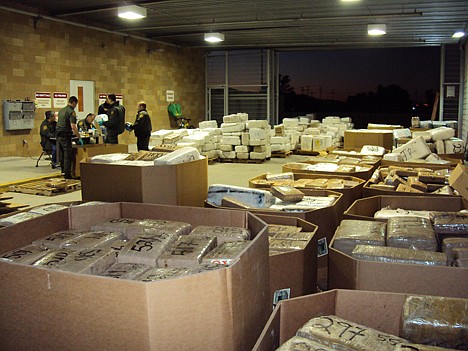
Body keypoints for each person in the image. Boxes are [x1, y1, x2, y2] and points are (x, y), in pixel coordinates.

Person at [56, 96, 82, 179]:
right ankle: (67, 174)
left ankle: (63, 171)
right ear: (74, 102)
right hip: (65, 135)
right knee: (68, 155)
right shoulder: (71, 112)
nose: (76, 106)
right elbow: (73, 126)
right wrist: (79, 137)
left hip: (58, 135)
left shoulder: (61, 110)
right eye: (76, 104)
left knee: (62, 154)